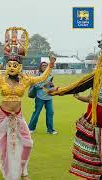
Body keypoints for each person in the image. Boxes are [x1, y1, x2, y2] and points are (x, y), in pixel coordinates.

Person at [0, 27, 56, 180]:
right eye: (10, 64)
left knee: (27, 144)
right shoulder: (0, 78)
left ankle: (22, 170)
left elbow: (41, 79)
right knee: (6, 148)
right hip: (3, 115)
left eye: (15, 65)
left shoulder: (25, 78)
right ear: (7, 65)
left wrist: (50, 65)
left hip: (18, 115)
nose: (12, 67)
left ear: (20, 66)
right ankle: (12, 173)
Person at [49, 45, 102, 179]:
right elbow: (78, 86)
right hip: (96, 125)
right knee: (96, 164)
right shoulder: (97, 76)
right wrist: (59, 91)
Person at [28, 61, 57, 134]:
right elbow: (35, 85)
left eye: (46, 65)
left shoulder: (50, 75)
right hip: (39, 97)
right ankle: (31, 128)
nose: (44, 66)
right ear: (40, 67)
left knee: (50, 112)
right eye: (43, 65)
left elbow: (50, 86)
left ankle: (50, 130)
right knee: (37, 113)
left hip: (49, 97)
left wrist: (51, 85)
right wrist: (44, 84)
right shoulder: (38, 75)